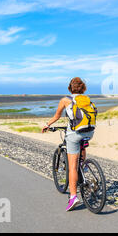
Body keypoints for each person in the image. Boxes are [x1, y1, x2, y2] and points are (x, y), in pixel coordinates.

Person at [42, 77, 94, 211]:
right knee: (81, 143)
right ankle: (84, 166)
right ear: (83, 88)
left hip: (74, 134)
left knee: (72, 166)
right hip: (89, 132)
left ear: (70, 88)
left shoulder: (65, 100)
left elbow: (57, 116)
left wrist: (47, 125)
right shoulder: (86, 99)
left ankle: (73, 197)